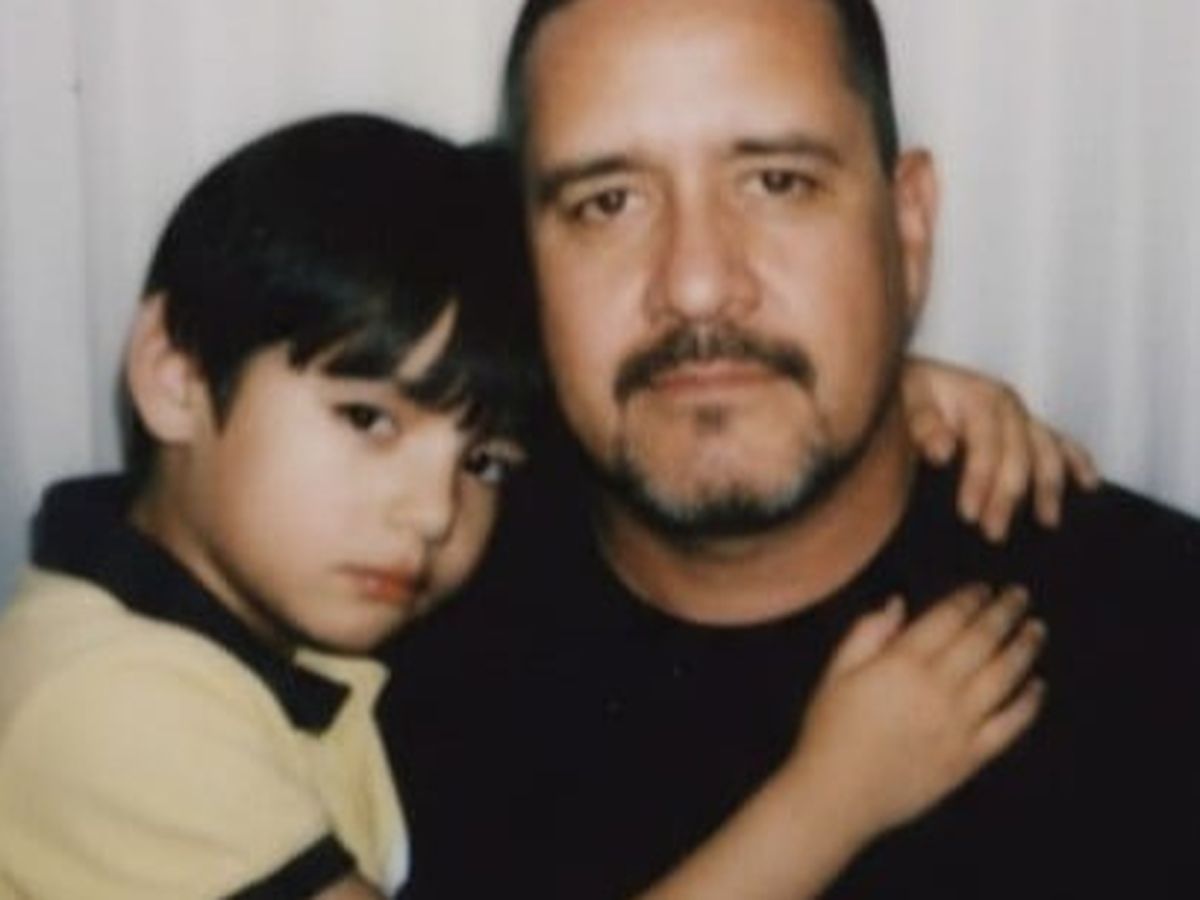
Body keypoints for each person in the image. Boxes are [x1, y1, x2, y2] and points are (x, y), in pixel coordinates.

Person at [0, 111, 1064, 899]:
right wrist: (837, 794)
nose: (432, 512)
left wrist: (842, 393)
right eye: (368, 419)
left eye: (484, 461)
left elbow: (591, 410)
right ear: (175, 375)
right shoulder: (111, 712)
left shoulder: (214, 599)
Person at [382, 1, 1200, 897]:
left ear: (907, 230)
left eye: (778, 182)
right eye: (608, 203)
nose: (698, 286)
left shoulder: (1164, 647)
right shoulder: (373, 649)